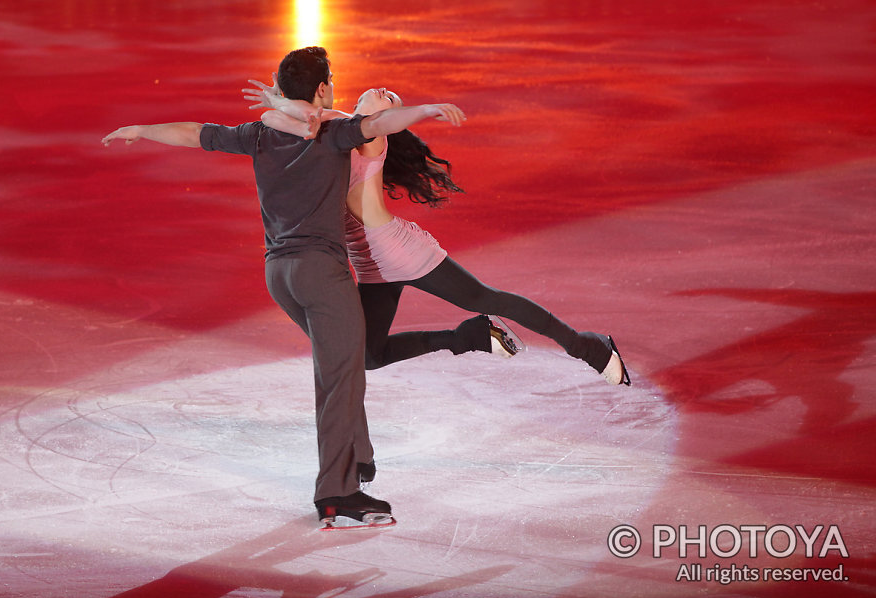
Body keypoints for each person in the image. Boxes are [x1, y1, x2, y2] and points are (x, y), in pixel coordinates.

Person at [102, 47, 466, 528]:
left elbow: (194, 133)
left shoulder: (257, 134)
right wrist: (428, 110)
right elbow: (379, 125)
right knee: (341, 378)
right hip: (322, 274)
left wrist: (141, 129)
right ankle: (338, 493)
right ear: (321, 90)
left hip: (280, 274)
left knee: (341, 363)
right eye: (330, 81)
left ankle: (358, 457)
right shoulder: (335, 134)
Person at [244, 80, 631, 392]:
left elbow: (329, 118)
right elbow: (302, 120)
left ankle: (587, 346)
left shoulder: (369, 136)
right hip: (368, 264)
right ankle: (472, 336)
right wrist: (276, 102)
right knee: (367, 356)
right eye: (381, 90)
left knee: (484, 296)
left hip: (399, 251)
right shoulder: (334, 129)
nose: (383, 93)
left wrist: (424, 110)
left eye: (390, 101)